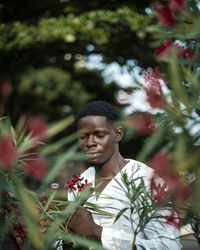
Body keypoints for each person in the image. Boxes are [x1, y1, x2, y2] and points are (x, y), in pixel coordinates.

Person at [65, 100, 182, 250]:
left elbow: (170, 246)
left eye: (99, 134)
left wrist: (97, 232)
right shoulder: (78, 183)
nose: (90, 143)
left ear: (118, 134)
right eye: (83, 136)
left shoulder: (149, 181)